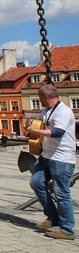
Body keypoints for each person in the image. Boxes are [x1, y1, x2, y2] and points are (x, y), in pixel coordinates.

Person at [26, 84, 76, 240]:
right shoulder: (46, 111)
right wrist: (31, 127)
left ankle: (67, 229)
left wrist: (35, 131)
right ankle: (53, 217)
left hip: (62, 158)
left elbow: (57, 132)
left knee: (62, 193)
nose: (39, 100)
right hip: (46, 155)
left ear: (45, 96)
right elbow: (39, 122)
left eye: (39, 97)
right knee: (36, 182)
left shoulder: (64, 112)